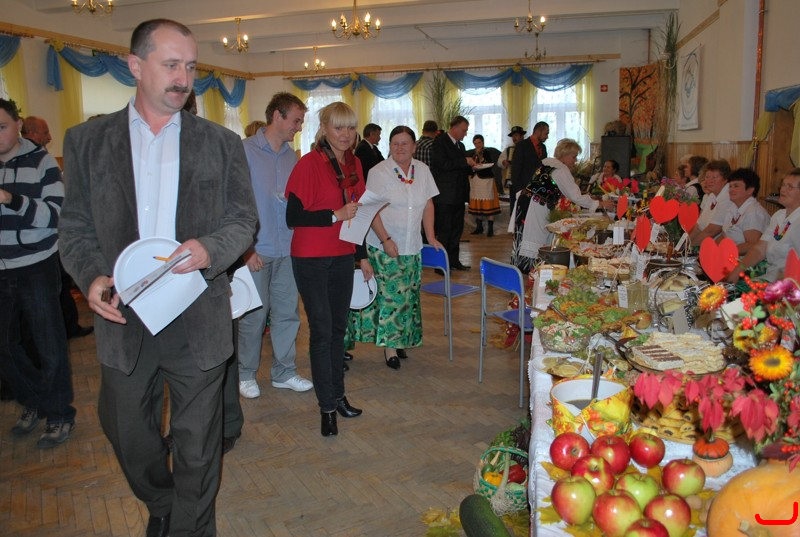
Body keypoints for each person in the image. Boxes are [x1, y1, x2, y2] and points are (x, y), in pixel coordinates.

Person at [58, 19, 257, 537]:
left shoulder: (220, 143)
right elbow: (74, 226)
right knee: (127, 430)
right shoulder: (86, 141)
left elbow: (243, 220)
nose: (183, 78)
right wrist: (91, 275)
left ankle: (191, 526)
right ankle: (161, 501)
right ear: (135, 65)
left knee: (198, 442)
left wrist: (210, 249)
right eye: (171, 65)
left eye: (189, 66)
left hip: (198, 313)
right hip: (123, 316)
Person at [285, 101, 365, 437]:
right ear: (324, 129)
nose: (345, 134)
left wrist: (362, 255)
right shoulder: (309, 164)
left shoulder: (354, 163)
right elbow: (293, 217)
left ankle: (338, 395)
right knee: (321, 330)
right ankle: (327, 408)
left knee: (338, 330)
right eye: (338, 127)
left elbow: (358, 212)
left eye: (350, 127)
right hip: (311, 258)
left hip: (343, 254)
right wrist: (334, 215)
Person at [0, 98, 77, 449]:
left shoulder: (42, 162)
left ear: (18, 125)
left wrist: (11, 199)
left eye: (2, 127)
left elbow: (56, 216)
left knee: (49, 344)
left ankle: (59, 413)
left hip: (36, 264)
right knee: (5, 347)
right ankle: (34, 399)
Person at [345, 126, 443, 369]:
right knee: (389, 298)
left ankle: (400, 340)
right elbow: (372, 210)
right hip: (384, 246)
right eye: (395, 143)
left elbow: (428, 205)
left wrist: (431, 236)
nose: (399, 148)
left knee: (408, 298)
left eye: (404, 143)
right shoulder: (379, 172)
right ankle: (390, 348)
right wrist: (385, 239)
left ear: (414, 146)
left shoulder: (422, 170)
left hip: (412, 246)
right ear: (389, 146)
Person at [238, 92, 313, 399]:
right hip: (257, 250)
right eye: (296, 120)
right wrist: (246, 249)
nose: (299, 127)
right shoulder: (244, 151)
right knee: (254, 316)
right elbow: (234, 204)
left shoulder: (292, 157)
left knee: (287, 314)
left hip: (287, 249)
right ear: (277, 116)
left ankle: (284, 372)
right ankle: (245, 374)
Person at [22, 115, 94, 339]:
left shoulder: (43, 159)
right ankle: (67, 328)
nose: (50, 137)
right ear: (31, 133)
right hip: (41, 246)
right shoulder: (35, 159)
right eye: (45, 132)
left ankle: (68, 327)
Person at [511, 138, 615, 271]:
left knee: (525, 235)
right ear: (564, 155)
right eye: (573, 157)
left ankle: (524, 268)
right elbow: (575, 196)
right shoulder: (561, 170)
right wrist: (600, 204)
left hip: (526, 203)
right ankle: (531, 270)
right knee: (535, 237)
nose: (575, 161)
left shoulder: (547, 163)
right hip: (537, 206)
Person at [728, 168, 800, 283]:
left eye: (790, 187)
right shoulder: (778, 215)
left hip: (787, 285)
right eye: (783, 185)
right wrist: (737, 271)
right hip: (769, 277)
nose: (783, 189)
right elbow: (759, 249)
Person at [430, 116, 476, 270]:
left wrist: (472, 167)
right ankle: (441, 265)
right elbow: (442, 164)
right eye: (463, 130)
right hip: (445, 196)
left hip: (458, 195)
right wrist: (464, 161)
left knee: (457, 230)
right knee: (444, 231)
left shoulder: (460, 146)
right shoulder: (439, 142)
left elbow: (459, 168)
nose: (465, 134)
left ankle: (454, 261)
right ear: (454, 128)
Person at [719, 168, 770, 255]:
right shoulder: (733, 207)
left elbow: (752, 245)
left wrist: (724, 252)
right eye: (730, 186)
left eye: (736, 186)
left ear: (750, 190)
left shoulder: (754, 212)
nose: (731, 190)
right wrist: (713, 249)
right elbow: (724, 236)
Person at [509, 121, 549, 218]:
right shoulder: (522, 145)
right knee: (523, 217)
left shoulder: (543, 147)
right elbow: (515, 169)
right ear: (538, 131)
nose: (547, 137)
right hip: (524, 189)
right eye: (546, 133)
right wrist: (519, 189)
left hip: (538, 190)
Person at [689, 159, 732, 244]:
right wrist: (683, 244)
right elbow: (699, 226)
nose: (709, 181)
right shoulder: (712, 195)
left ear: (725, 179)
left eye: (714, 177)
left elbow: (711, 231)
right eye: (707, 177)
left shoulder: (728, 197)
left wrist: (690, 246)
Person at [466, 134, 501, 236]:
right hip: (476, 181)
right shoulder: (471, 154)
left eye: (479, 142)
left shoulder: (487, 152)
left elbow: (490, 164)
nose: (477, 145)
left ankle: (490, 229)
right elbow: (469, 166)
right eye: (475, 143)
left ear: (483, 142)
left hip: (486, 180)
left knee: (488, 203)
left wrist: (480, 157)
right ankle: (479, 227)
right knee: (478, 203)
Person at [497, 125, 526, 195]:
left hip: (524, 181)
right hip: (511, 181)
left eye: (516, 135)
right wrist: (503, 162)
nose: (514, 138)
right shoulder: (509, 149)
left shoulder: (527, 148)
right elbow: (498, 162)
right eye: (513, 136)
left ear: (522, 136)